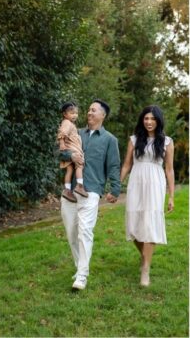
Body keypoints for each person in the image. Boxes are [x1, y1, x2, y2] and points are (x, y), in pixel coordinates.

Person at [59, 100, 120, 291]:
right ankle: (79, 267)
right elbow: (59, 152)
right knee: (71, 232)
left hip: (92, 190)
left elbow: (113, 166)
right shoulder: (75, 132)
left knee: (85, 230)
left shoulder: (110, 140)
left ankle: (82, 275)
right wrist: (70, 156)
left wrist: (115, 189)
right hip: (70, 191)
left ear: (103, 115)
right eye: (88, 110)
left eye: (93, 110)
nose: (89, 113)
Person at [120, 105, 174, 287]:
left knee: (150, 224)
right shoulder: (134, 140)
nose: (149, 122)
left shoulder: (167, 142)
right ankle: (145, 256)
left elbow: (169, 169)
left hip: (155, 183)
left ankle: (145, 269)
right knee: (134, 225)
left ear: (158, 121)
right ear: (142, 120)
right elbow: (127, 164)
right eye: (146, 118)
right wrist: (117, 185)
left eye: (152, 119)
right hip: (136, 182)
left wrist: (171, 196)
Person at [56, 102, 87, 202]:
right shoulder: (67, 123)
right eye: (72, 113)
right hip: (72, 149)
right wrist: (62, 143)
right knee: (79, 165)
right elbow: (62, 132)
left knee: (69, 170)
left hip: (69, 149)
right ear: (65, 114)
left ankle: (67, 190)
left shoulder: (70, 124)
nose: (75, 115)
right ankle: (80, 186)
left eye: (76, 113)